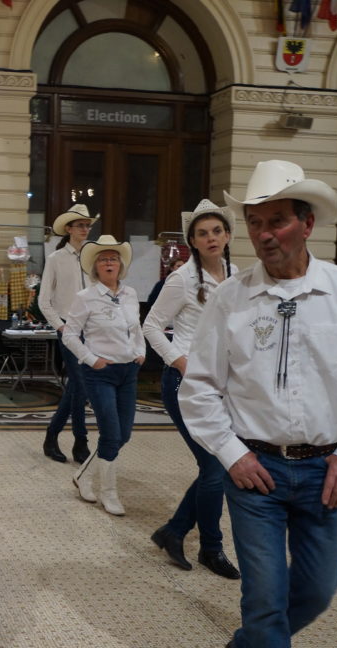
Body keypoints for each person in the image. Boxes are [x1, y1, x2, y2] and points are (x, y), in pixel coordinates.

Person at [179, 160, 337, 648]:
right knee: (264, 598)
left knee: (317, 591)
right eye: (256, 222)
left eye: (277, 220)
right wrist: (232, 454)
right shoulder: (230, 298)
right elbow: (200, 388)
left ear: (307, 224)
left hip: (327, 472)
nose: (264, 234)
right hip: (255, 472)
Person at [142, 200, 239, 579]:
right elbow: (151, 325)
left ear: (228, 236)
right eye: (202, 233)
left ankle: (175, 530)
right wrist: (179, 360)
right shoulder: (182, 278)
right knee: (215, 467)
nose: (211, 238)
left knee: (216, 467)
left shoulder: (237, 275)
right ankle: (210, 548)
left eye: (217, 231)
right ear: (192, 242)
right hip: (185, 383)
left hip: (223, 386)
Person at [63, 235, 145, 516]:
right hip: (100, 373)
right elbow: (70, 335)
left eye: (113, 258)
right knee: (111, 433)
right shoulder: (85, 298)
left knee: (123, 435)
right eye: (103, 259)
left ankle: (84, 474)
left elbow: (137, 328)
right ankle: (108, 494)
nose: (109, 263)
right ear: (95, 267)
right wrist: (91, 359)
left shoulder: (131, 294)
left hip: (129, 371)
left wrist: (140, 350)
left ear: (120, 264)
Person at [38, 204, 97, 464]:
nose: (85, 229)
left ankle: (51, 435)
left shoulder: (94, 256)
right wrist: (60, 327)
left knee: (77, 386)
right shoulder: (56, 258)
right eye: (80, 225)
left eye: (87, 225)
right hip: (68, 329)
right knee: (81, 385)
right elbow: (43, 301)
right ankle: (80, 441)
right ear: (69, 229)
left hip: (92, 330)